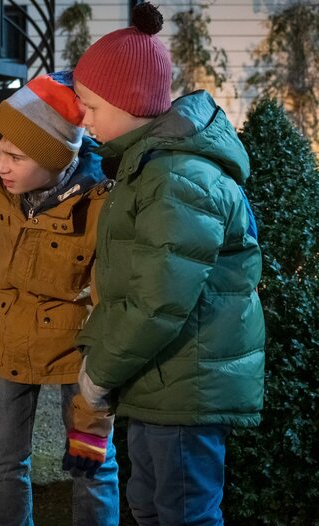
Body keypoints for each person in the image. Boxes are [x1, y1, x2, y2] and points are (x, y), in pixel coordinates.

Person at [72, 3, 265, 525]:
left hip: (184, 385)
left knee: (183, 514)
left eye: (90, 105)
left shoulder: (175, 179)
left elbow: (158, 300)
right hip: (161, 380)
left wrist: (99, 375)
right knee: (151, 507)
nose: (83, 118)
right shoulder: (148, 167)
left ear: (128, 101)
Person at [0, 71, 119, 525]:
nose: (0, 164)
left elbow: (110, 306)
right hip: (10, 332)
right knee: (4, 456)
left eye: (15, 156)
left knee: (91, 461)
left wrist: (93, 416)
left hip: (76, 344)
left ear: (57, 159)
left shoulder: (102, 205)